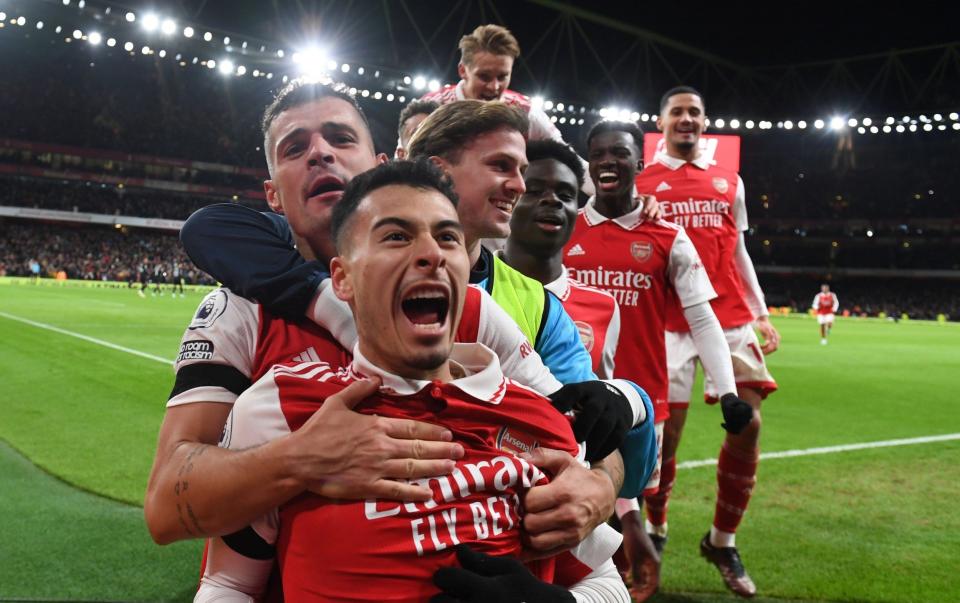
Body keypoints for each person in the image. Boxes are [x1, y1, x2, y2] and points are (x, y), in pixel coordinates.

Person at [151, 81, 637, 556]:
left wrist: (596, 492)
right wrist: (299, 460)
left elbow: (578, 422)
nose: (320, 153)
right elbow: (166, 506)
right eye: (294, 148)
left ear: (381, 167)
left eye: (341, 138)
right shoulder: (237, 312)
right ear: (273, 195)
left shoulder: (460, 306)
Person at [195, 160, 630, 602]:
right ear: (342, 279)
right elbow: (228, 584)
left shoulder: (538, 420)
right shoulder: (282, 407)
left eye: (447, 237)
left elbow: (604, 584)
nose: (433, 253)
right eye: (396, 236)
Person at [561, 120, 751, 600]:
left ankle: (622, 585)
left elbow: (703, 319)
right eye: (599, 153)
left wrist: (727, 390)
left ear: (638, 165)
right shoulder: (561, 228)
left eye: (620, 153)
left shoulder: (670, 236)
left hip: (642, 404)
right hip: (569, 396)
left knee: (630, 506)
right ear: (588, 166)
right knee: (568, 506)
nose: (608, 161)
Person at [634, 86, 781, 598]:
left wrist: (761, 312)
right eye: (677, 111)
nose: (687, 119)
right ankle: (657, 526)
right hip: (668, 322)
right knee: (665, 439)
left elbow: (738, 250)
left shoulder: (729, 179)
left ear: (704, 122)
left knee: (749, 424)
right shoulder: (641, 182)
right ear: (662, 122)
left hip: (731, 315)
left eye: (695, 112)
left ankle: (722, 539)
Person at [421, 24, 594, 196]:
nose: (494, 86)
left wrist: (606, 192)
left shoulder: (526, 111)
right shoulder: (432, 107)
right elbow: (405, 160)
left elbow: (568, 159)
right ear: (462, 70)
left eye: (502, 76)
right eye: (484, 76)